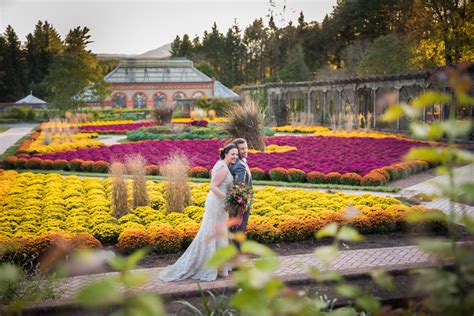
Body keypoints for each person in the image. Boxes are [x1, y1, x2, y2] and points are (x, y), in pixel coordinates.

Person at [159, 143, 239, 282]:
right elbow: (213, 186)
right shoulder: (223, 168)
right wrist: (227, 198)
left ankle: (219, 265)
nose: (235, 156)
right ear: (226, 153)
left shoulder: (223, 165)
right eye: (233, 154)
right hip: (217, 203)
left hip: (221, 204)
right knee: (210, 232)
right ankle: (208, 266)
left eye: (237, 154)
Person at [228, 138, 253, 243]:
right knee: (238, 233)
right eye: (242, 149)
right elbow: (239, 188)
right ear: (236, 150)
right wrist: (240, 208)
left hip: (240, 204)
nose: (245, 150)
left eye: (246, 147)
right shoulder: (239, 165)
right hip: (240, 205)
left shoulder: (239, 162)